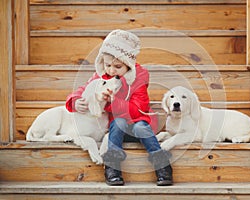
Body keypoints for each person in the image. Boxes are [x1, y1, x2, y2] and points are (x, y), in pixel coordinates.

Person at [65, 29, 173, 186]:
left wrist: (114, 102)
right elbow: (85, 89)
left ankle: (162, 166)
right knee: (118, 123)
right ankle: (112, 167)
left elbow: (138, 108)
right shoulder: (102, 76)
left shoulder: (139, 78)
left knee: (141, 128)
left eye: (117, 66)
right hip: (118, 128)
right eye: (107, 65)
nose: (111, 70)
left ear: (128, 65)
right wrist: (74, 100)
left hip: (138, 122)